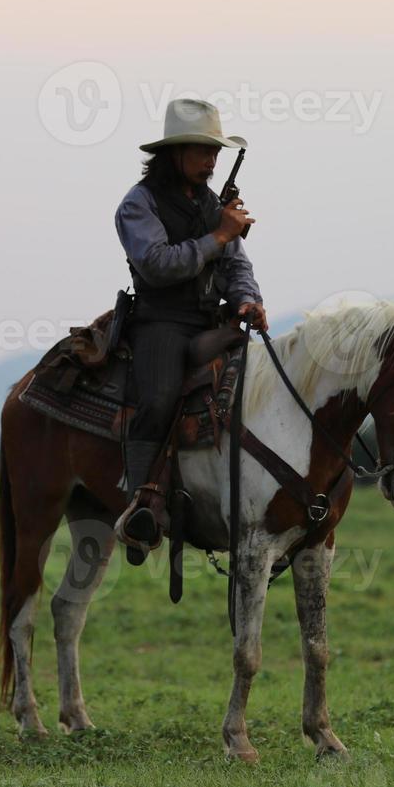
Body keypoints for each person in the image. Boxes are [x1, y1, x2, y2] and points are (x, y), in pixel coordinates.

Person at [112, 98, 268, 556]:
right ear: (173, 153)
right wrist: (219, 235)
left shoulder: (212, 204)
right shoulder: (137, 204)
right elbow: (157, 265)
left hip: (209, 321)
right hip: (160, 321)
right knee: (158, 397)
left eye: (215, 152)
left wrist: (247, 299)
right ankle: (139, 505)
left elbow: (237, 264)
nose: (211, 161)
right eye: (202, 151)